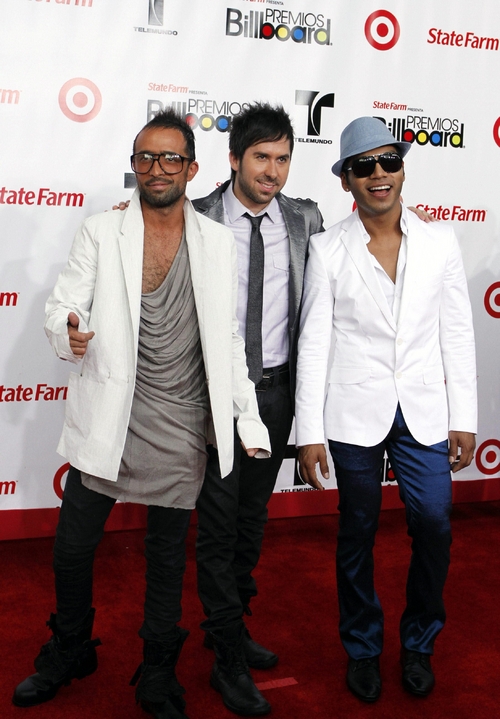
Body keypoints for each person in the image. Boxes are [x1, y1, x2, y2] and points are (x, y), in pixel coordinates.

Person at [12, 109, 271, 719]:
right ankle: (71, 648)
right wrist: (68, 328)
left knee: (165, 556)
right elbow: (65, 302)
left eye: (170, 158)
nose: (158, 168)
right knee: (72, 548)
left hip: (182, 420)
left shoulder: (217, 243)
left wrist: (248, 419)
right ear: (134, 166)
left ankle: (157, 670)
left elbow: (228, 341)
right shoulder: (102, 231)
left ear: (192, 169)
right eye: (146, 157)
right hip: (113, 415)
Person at [296, 117, 477, 703]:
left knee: (434, 524)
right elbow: (314, 343)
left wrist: (464, 416)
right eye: (363, 166)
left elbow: (457, 333)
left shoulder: (441, 241)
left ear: (402, 167)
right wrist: (309, 430)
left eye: (388, 161)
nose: (379, 174)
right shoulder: (326, 249)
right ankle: (363, 648)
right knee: (358, 530)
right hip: (353, 411)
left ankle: (419, 642)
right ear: (345, 180)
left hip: (423, 410)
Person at [192, 103, 324, 716]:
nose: (273, 171)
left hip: (274, 394)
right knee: (218, 525)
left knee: (250, 521)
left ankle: (232, 625)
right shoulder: (196, 216)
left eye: (283, 159)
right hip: (215, 394)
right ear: (234, 159)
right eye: (261, 157)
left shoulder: (305, 219)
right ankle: (226, 657)